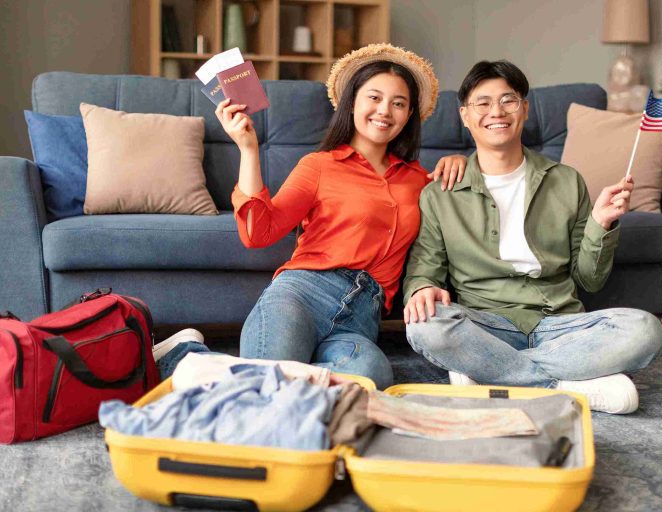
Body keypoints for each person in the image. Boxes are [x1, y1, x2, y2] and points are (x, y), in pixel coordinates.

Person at [153, 44, 467, 390]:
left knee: (371, 375)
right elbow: (258, 234)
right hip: (301, 294)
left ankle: (195, 360)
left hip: (360, 317)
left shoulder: (419, 180)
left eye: (399, 103)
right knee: (271, 378)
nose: (385, 111)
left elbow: (446, 231)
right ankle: (195, 356)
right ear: (353, 103)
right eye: (374, 98)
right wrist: (248, 149)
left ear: (409, 115)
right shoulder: (319, 166)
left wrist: (464, 163)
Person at [402, 60, 662, 414]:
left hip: (560, 324)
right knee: (425, 326)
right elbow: (426, 266)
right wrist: (420, 288)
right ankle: (568, 386)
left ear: (524, 109)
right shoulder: (440, 192)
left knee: (646, 329)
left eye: (508, 100)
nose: (497, 111)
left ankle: (491, 373)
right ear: (465, 115)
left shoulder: (567, 181)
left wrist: (600, 225)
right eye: (483, 103)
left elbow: (590, 279)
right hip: (486, 324)